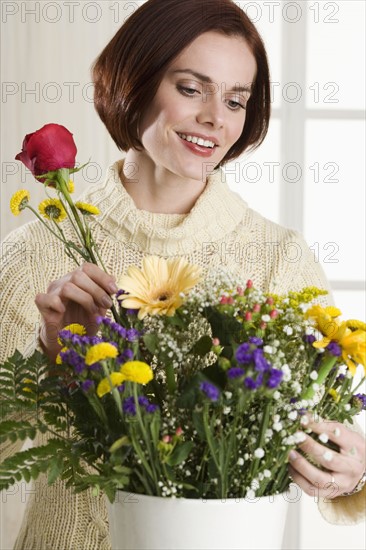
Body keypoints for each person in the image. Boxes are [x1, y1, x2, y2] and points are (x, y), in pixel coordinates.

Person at [1, 0, 365, 548]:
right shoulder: (35, 251)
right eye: (192, 89)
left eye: (236, 99)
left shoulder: (280, 258)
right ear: (136, 83)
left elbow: (311, 439)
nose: (217, 118)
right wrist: (53, 359)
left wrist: (352, 470)